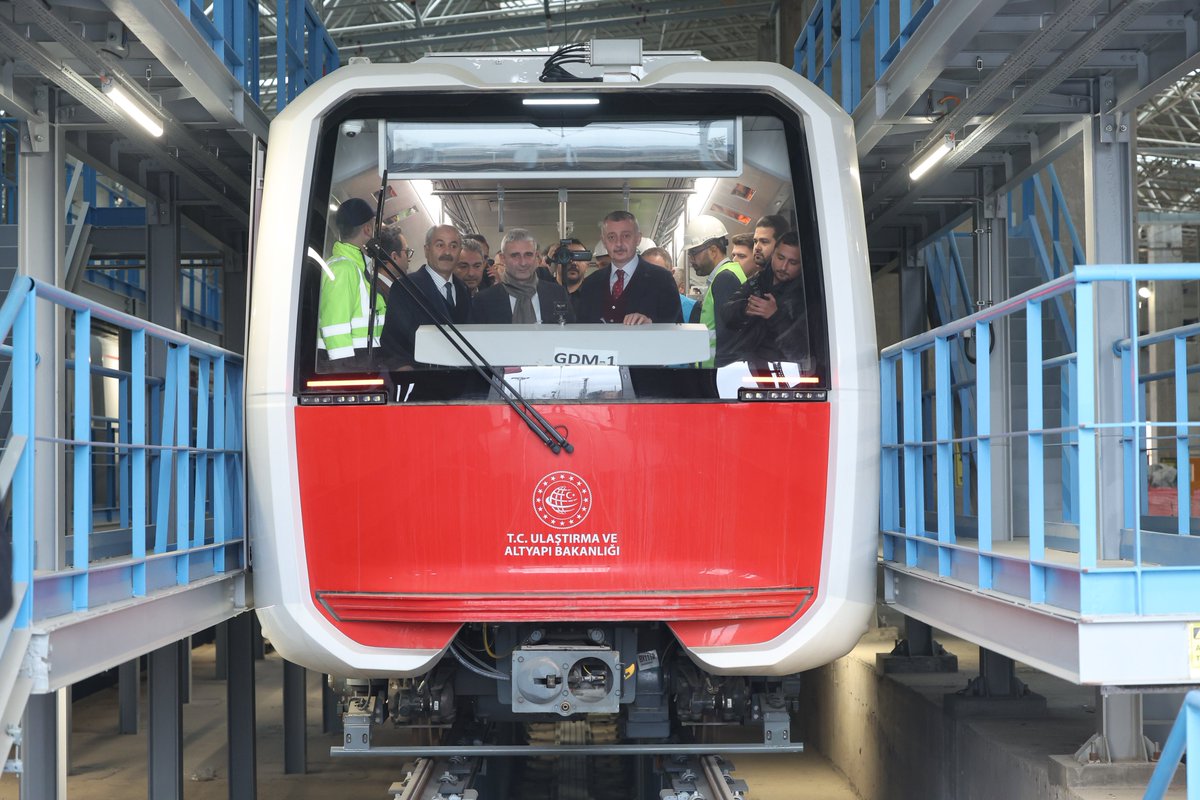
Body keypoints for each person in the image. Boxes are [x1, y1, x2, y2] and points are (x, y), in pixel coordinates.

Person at [381, 223, 471, 366]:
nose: (447, 252)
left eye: (454, 246)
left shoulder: (464, 290)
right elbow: (393, 341)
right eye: (440, 245)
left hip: (464, 383)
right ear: (426, 250)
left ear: (460, 251)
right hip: (422, 379)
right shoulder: (406, 288)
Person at [575, 211, 682, 325]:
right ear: (604, 241)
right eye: (611, 237)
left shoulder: (662, 279)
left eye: (626, 236)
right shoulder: (590, 284)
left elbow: (677, 326)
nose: (619, 243)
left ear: (638, 238)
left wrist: (652, 324)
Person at [720, 231, 810, 365]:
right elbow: (726, 313)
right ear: (773, 254)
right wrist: (745, 308)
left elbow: (799, 351)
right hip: (745, 362)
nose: (784, 267)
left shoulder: (805, 296)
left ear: (802, 264)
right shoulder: (759, 279)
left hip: (781, 370)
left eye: (792, 262)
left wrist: (774, 315)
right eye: (780, 257)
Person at [317, 197, 386, 364]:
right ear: (368, 229)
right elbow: (335, 325)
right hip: (351, 361)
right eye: (374, 224)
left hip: (363, 357)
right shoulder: (343, 268)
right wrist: (344, 373)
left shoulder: (357, 267)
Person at [472, 229, 575, 324]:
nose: (523, 262)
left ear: (536, 256)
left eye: (528, 254)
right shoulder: (484, 301)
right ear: (503, 259)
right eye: (515, 255)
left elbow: (571, 335)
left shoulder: (557, 294)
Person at [684, 214, 746, 367]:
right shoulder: (730, 273)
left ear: (712, 250)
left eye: (693, 254)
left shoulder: (725, 279)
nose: (691, 260)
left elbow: (727, 336)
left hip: (716, 372)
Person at [641, 246, 695, 322]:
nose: (651, 280)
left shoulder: (691, 308)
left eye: (658, 273)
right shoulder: (629, 305)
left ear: (671, 274)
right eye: (645, 273)